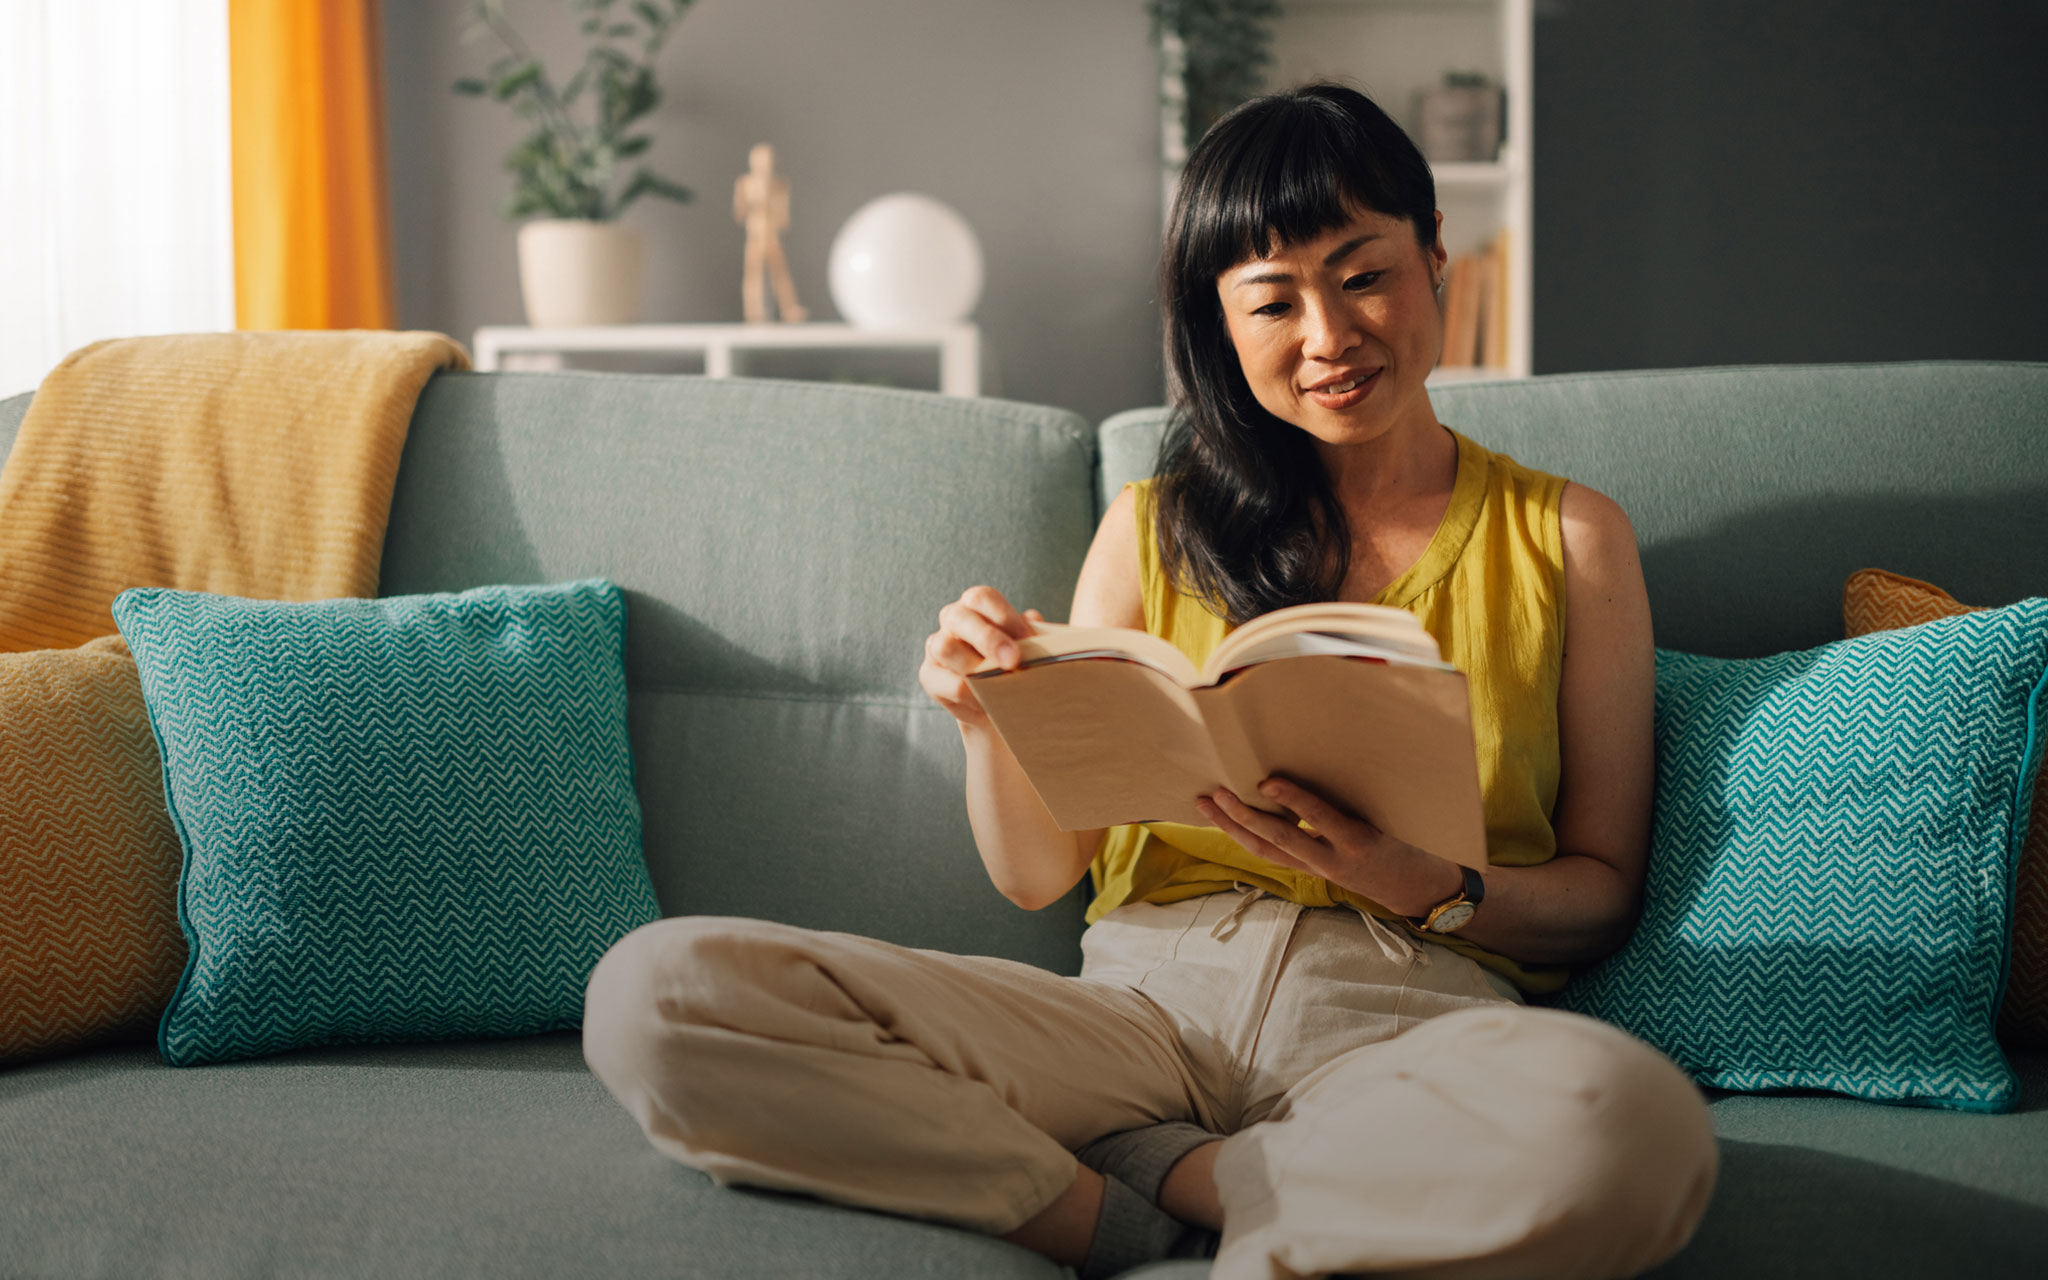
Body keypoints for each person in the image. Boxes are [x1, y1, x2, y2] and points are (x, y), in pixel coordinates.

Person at [582, 82, 1719, 1280]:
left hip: (1405, 1027)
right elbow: (1038, 873)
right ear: (1220, 324)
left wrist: (1421, 883)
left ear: (1434, 252)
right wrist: (986, 720)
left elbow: (1598, 895)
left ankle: (1187, 1179)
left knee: (1631, 1126)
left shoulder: (1568, 538)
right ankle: (1137, 1216)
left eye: (1363, 275)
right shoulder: (1152, 528)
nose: (1328, 335)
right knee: (660, 991)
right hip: (1135, 1015)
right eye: (1271, 301)